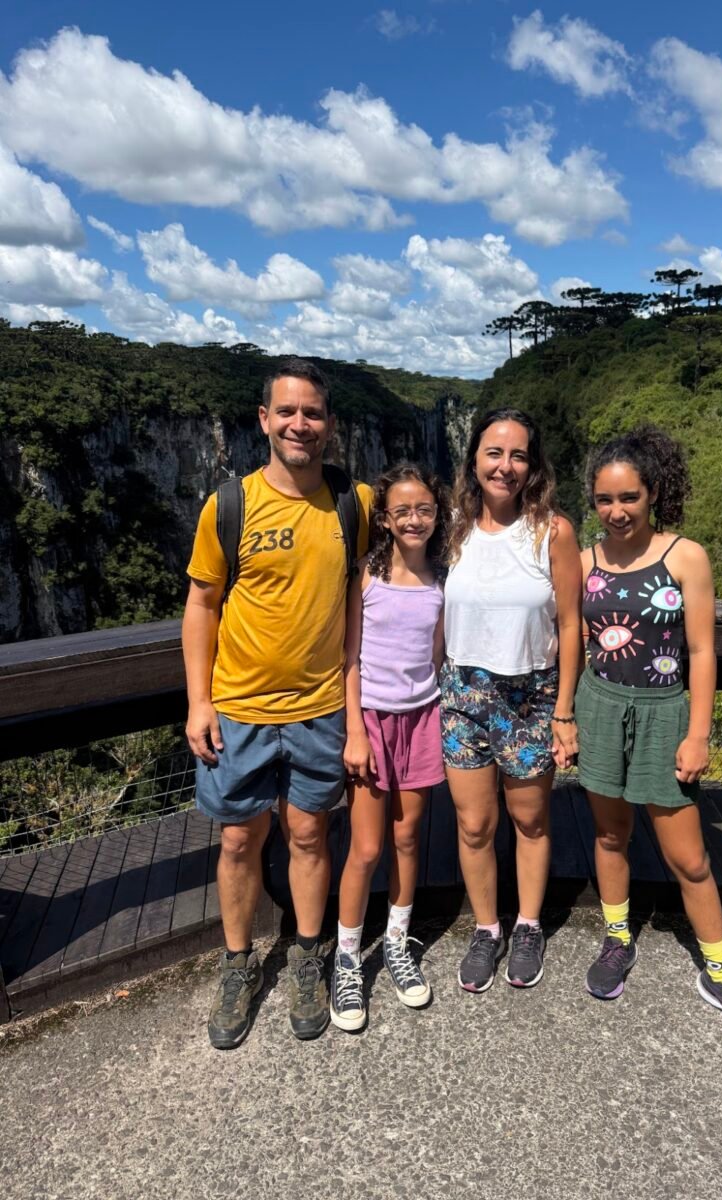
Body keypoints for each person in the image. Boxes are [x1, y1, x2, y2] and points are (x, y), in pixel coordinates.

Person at [182, 358, 372, 1049]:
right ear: (264, 420)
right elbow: (202, 604)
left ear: (330, 424)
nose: (300, 424)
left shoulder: (355, 503)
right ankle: (238, 966)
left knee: (310, 835)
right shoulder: (228, 505)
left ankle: (307, 957)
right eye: (286, 411)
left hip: (320, 707)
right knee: (238, 839)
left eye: (312, 413)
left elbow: (365, 596)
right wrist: (199, 701)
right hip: (239, 708)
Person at [576, 426, 722, 1042]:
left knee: (688, 858)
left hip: (664, 711)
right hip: (600, 707)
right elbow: (579, 641)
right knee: (610, 835)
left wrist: (698, 734)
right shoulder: (585, 562)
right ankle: (617, 937)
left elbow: (701, 651)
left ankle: (720, 972)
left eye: (629, 497)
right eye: (605, 499)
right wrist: (568, 716)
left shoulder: (685, 556)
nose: (616, 511)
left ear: (654, 493)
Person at [441, 408, 582, 993]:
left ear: (533, 465)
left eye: (518, 455)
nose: (505, 466)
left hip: (530, 694)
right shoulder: (453, 526)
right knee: (474, 824)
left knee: (529, 819)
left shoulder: (553, 532)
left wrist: (564, 711)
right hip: (463, 693)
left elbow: (571, 625)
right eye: (494, 453)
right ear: (474, 458)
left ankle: (527, 924)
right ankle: (485, 928)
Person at [332, 463, 450, 1031]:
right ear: (383, 518)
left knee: (407, 838)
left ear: (437, 514)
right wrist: (355, 731)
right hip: (372, 721)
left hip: (422, 718)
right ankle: (347, 958)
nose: (413, 520)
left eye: (423, 509)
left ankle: (398, 944)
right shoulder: (366, 576)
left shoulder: (442, 580)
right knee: (366, 846)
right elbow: (349, 659)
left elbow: (439, 654)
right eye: (401, 510)